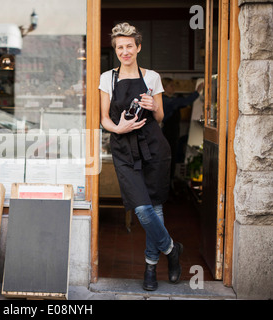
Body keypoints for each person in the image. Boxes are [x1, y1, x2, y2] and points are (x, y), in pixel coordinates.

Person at [99, 22, 183, 291]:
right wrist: (118, 127)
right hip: (124, 149)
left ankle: (150, 268)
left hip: (153, 148)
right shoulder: (107, 78)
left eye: (129, 46)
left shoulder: (152, 77)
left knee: (155, 207)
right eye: (120, 47)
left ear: (138, 47)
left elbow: (159, 118)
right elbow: (103, 119)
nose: (125, 51)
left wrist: (153, 105)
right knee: (142, 209)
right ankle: (172, 250)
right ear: (116, 50)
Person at [161, 78, 204, 183]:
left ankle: (169, 183)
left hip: (173, 133)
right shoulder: (167, 101)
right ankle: (167, 185)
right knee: (168, 159)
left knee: (172, 157)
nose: (173, 88)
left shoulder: (170, 99)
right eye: (171, 86)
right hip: (167, 134)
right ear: (164, 88)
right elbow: (184, 102)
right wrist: (197, 92)